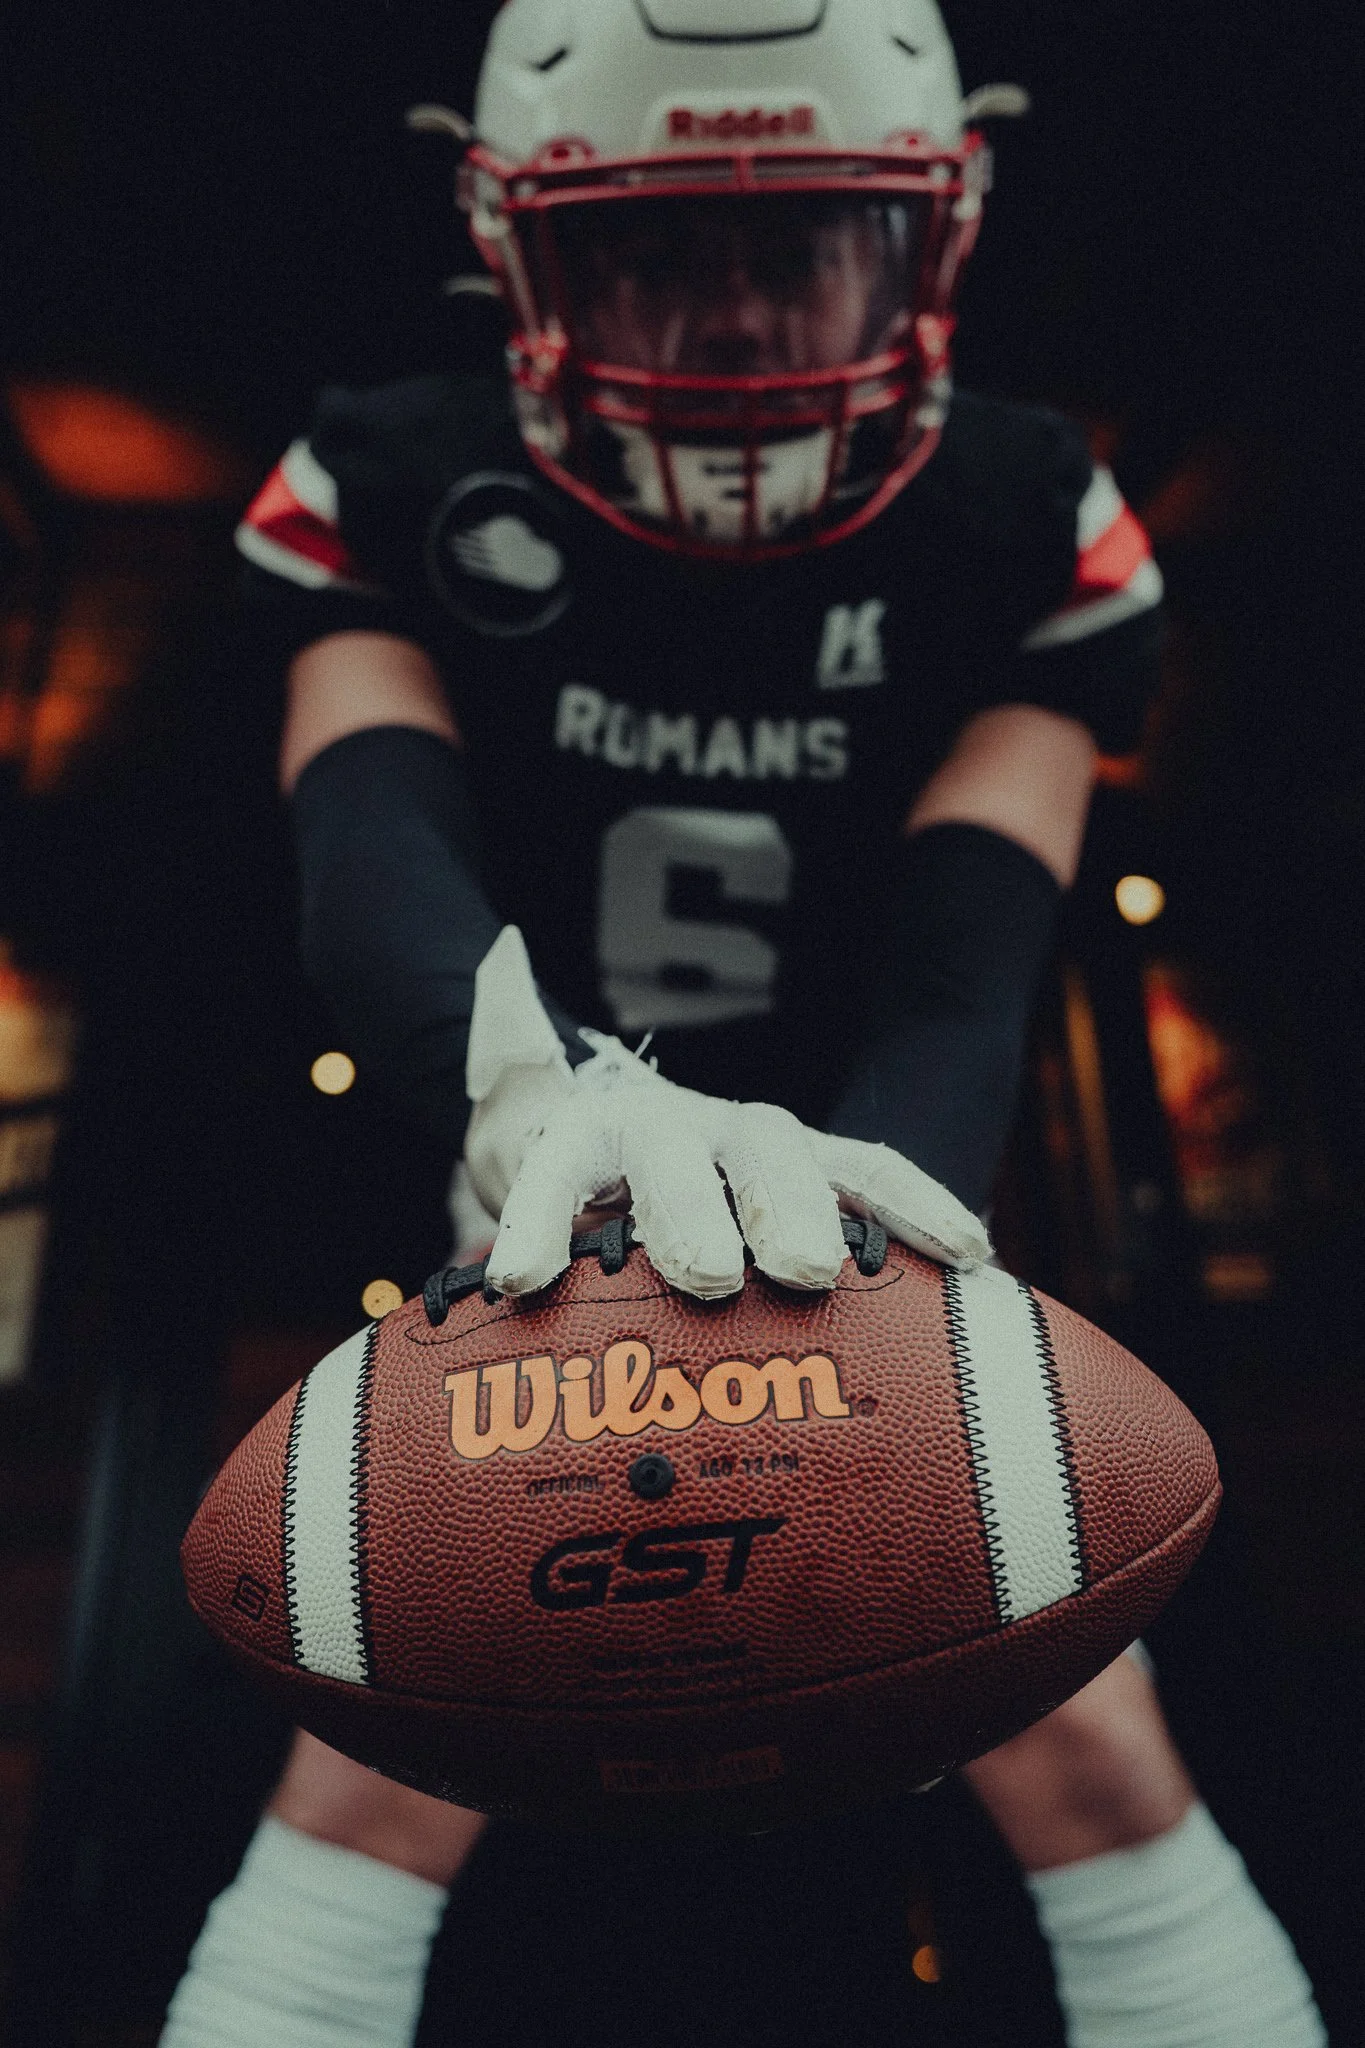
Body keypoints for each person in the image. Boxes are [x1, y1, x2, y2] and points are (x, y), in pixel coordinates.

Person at [161, 3, 1326, 2043]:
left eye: (802, 251)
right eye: (653, 258)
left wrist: (868, 1222)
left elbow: (972, 951)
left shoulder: (1017, 514)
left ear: (935, 231)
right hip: (519, 1160)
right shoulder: (395, 472)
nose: (729, 326)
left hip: (869, 1155)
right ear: (508, 249)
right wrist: (527, 1101)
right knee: (379, 1746)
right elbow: (368, 848)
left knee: (1077, 1731)